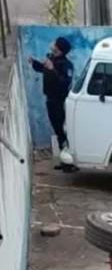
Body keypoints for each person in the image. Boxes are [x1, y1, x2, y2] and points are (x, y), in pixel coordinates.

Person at [30, 37, 75, 171]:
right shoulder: (52, 60)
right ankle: (64, 160)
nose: (52, 44)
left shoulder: (66, 65)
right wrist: (34, 63)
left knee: (63, 131)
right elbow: (43, 70)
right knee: (58, 130)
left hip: (59, 101)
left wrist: (52, 69)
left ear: (59, 49)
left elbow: (64, 83)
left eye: (55, 44)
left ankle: (69, 162)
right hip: (50, 100)